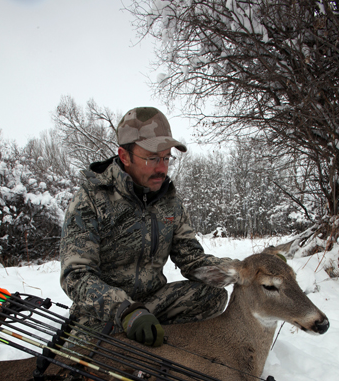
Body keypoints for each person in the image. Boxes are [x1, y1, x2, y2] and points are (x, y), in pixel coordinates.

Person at [60, 106, 232, 347]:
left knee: (213, 296)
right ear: (124, 156)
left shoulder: (169, 199)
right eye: (152, 158)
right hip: (105, 313)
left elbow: (192, 259)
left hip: (153, 302)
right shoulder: (90, 199)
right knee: (75, 368)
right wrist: (126, 311)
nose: (161, 168)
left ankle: (158, 346)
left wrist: (243, 270)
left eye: (166, 158)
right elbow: (76, 276)